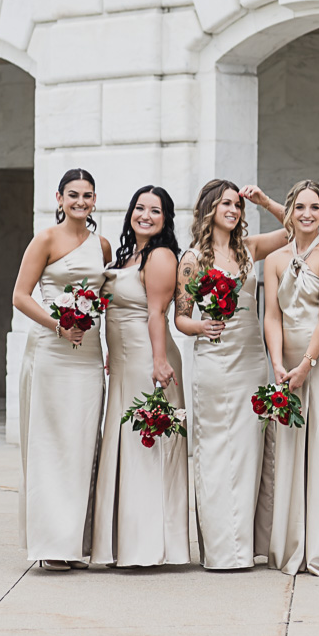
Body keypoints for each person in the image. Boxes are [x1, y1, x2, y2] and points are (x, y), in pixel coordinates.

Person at [175, 179, 287, 569]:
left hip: (252, 360)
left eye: (237, 206)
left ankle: (246, 546)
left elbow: (298, 228)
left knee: (249, 453)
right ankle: (223, 552)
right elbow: (181, 317)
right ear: (209, 208)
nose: (233, 211)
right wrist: (201, 328)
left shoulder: (248, 249)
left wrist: (265, 200)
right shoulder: (192, 259)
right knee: (217, 453)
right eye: (226, 204)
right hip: (216, 362)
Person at [12, 169, 111, 570]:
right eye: (73, 195)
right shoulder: (46, 239)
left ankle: (74, 543)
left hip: (87, 356)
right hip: (52, 353)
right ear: (58, 198)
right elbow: (20, 295)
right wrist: (57, 324)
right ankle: (50, 545)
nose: (81, 202)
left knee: (82, 445)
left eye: (88, 195)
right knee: (51, 446)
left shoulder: (102, 245)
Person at [92, 185, 189, 567]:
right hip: (124, 362)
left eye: (155, 210)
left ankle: (146, 545)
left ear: (166, 219)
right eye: (139, 207)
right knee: (125, 446)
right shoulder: (127, 255)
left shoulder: (162, 255)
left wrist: (160, 361)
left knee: (146, 447)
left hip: (149, 359)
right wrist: (111, 352)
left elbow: (156, 313)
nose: (145, 215)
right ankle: (124, 542)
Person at [262, 180, 319, 574]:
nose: (307, 214)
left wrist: (307, 363)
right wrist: (278, 363)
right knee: (290, 448)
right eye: (299, 207)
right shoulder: (275, 259)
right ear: (289, 212)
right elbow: (271, 316)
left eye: (314, 207)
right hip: (285, 361)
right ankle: (288, 543)